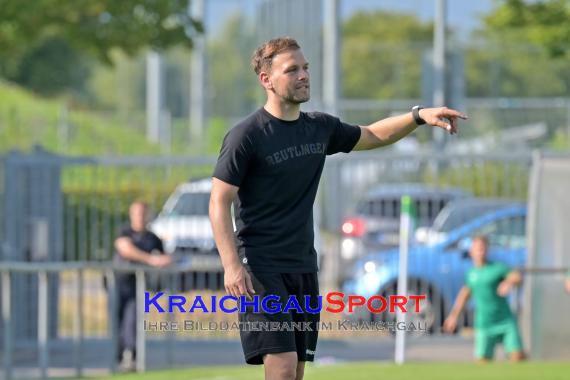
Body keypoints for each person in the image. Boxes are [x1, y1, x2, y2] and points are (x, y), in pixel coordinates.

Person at [209, 36, 467, 380]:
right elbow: (218, 201)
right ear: (266, 80)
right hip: (259, 267)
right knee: (283, 368)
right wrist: (230, 265)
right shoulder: (247, 136)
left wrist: (418, 116)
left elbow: (374, 134)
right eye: (292, 70)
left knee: (298, 370)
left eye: (305, 67)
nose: (303, 75)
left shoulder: (319, 127)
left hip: (302, 264)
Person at [443, 235, 525, 362]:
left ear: (487, 250)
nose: (480, 251)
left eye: (483, 248)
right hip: (484, 323)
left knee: (517, 357)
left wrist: (508, 282)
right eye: (477, 248)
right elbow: (464, 295)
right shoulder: (471, 274)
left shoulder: (497, 268)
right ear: (471, 252)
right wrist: (453, 316)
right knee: (483, 361)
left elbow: (517, 277)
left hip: (505, 321)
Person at [112, 201, 172, 371]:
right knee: (117, 321)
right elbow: (125, 249)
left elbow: (164, 257)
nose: (139, 217)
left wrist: (165, 260)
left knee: (133, 321)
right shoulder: (124, 232)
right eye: (136, 213)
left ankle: (133, 356)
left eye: (142, 213)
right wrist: (150, 260)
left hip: (137, 286)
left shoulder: (152, 238)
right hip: (118, 284)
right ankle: (117, 357)